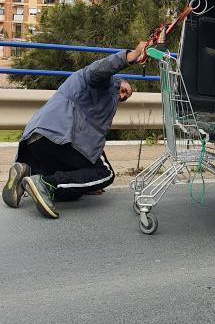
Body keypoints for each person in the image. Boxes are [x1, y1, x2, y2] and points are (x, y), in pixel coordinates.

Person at [2, 41, 148, 219]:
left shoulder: (100, 99)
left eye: (126, 96)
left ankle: (27, 172)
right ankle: (47, 184)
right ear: (120, 81)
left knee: (73, 193)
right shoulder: (101, 82)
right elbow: (101, 68)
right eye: (125, 89)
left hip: (35, 141)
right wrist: (129, 57)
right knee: (105, 173)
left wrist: (87, 182)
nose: (123, 95)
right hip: (62, 136)